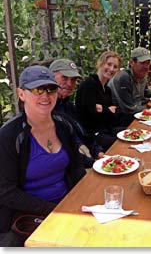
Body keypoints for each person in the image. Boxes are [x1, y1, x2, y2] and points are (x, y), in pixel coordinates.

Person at [0, 66, 86, 246]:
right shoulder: (9, 136)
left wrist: (81, 198)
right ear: (21, 94)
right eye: (38, 90)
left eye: (51, 89)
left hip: (66, 205)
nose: (46, 96)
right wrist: (51, 210)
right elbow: (6, 192)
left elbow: (76, 167)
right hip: (26, 216)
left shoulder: (63, 124)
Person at [49, 58, 105, 168]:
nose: (69, 83)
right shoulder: (46, 111)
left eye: (73, 79)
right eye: (64, 77)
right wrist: (94, 163)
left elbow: (84, 133)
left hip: (87, 159)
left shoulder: (69, 106)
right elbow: (63, 151)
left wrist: (99, 153)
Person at [108, 47, 151, 127]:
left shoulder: (141, 75)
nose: (146, 66)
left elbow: (144, 92)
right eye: (142, 62)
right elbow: (129, 109)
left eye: (148, 63)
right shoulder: (123, 78)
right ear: (132, 62)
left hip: (134, 116)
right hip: (120, 122)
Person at [75, 51, 124, 152]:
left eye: (115, 67)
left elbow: (114, 117)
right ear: (100, 63)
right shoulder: (89, 85)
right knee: (121, 146)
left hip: (106, 129)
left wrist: (103, 110)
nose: (111, 69)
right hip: (92, 136)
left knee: (131, 134)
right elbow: (92, 117)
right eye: (109, 64)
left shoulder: (107, 90)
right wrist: (108, 110)